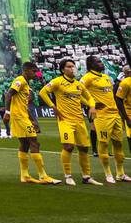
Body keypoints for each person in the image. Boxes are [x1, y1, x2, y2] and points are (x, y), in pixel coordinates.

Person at [41, 58, 101, 186]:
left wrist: (92, 106)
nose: (72, 68)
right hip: (65, 120)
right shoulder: (57, 82)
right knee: (68, 146)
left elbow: (89, 97)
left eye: (73, 66)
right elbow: (43, 92)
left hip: (79, 120)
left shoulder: (79, 84)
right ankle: (68, 176)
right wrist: (53, 107)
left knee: (84, 148)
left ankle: (86, 176)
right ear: (63, 70)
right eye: (69, 66)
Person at [79, 55, 129, 184]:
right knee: (104, 144)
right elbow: (76, 92)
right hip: (102, 116)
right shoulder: (87, 78)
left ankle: (120, 173)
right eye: (98, 61)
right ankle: (108, 173)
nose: (101, 63)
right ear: (91, 65)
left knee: (118, 144)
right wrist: (92, 104)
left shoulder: (107, 78)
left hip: (115, 115)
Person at [8, 61, 60, 184]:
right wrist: (7, 112)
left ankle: (24, 175)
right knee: (34, 142)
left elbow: (24, 104)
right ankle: (43, 175)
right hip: (19, 117)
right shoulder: (20, 80)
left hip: (24, 116)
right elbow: (8, 94)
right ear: (26, 70)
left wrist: (32, 120)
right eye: (33, 71)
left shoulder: (26, 84)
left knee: (25, 144)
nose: (36, 74)